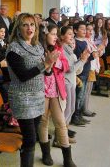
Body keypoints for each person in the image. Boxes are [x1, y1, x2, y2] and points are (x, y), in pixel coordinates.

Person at [6, 13, 59, 167]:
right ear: (18, 29)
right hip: (23, 98)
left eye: (32, 25)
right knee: (29, 139)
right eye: (25, 25)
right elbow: (22, 75)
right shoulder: (14, 49)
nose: (29, 28)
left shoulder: (37, 47)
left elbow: (45, 71)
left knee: (33, 137)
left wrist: (49, 65)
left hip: (38, 96)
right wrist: (45, 64)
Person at [38, 24, 77, 167]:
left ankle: (67, 157)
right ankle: (46, 154)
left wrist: (57, 62)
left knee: (60, 122)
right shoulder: (38, 49)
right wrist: (47, 61)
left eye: (56, 34)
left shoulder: (59, 48)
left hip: (56, 90)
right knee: (43, 122)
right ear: (45, 34)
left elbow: (66, 66)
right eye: (53, 34)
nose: (55, 37)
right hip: (42, 90)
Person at [61, 26, 87, 142]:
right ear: (62, 36)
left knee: (71, 109)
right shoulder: (62, 49)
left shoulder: (70, 50)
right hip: (66, 82)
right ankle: (60, 136)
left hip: (71, 81)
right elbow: (69, 69)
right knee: (66, 110)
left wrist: (82, 59)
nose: (72, 37)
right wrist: (81, 61)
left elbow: (77, 70)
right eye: (69, 34)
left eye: (72, 34)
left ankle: (64, 133)